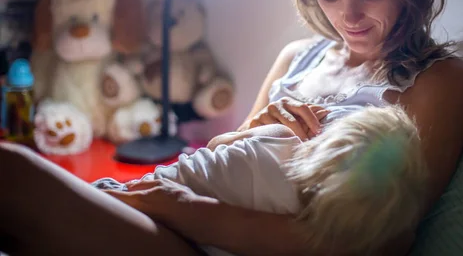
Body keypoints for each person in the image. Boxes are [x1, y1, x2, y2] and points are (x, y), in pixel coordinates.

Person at [0, 0, 463, 256]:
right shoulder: (298, 57)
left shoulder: (440, 84)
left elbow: (378, 241)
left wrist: (182, 209)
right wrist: (254, 127)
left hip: (210, 240)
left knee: (14, 175)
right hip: (177, 205)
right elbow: (226, 154)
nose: (348, 18)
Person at [93, 105, 428, 256]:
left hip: (134, 198)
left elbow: (217, 144)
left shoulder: (281, 138)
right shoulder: (304, 222)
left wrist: (262, 127)